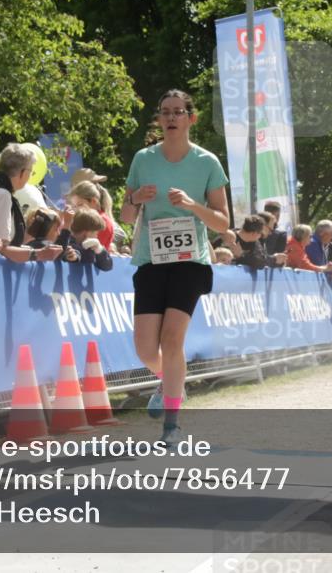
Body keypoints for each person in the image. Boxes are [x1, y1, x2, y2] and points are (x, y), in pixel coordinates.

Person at [120, 90, 229, 444]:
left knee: (172, 339)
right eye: (164, 112)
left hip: (190, 262)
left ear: (190, 119)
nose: (170, 118)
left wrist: (192, 205)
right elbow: (124, 215)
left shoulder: (207, 162)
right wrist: (135, 199)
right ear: (159, 119)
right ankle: (172, 384)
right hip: (151, 260)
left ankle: (172, 424)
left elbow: (223, 223)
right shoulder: (143, 159)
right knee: (145, 349)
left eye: (178, 112)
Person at [66, 179, 115, 251]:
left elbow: (88, 250)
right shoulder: (90, 219)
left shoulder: (101, 221)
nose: (76, 210)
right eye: (74, 206)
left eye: (80, 205)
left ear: (93, 201)